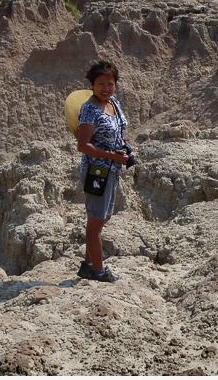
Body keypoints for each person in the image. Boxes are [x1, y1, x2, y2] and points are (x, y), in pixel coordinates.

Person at [76, 59, 129, 283]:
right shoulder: (89, 110)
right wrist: (111, 156)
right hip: (97, 172)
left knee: (103, 217)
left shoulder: (113, 103)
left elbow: (117, 132)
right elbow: (83, 145)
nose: (106, 88)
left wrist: (123, 152)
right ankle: (98, 272)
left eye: (110, 84)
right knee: (95, 222)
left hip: (112, 169)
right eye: (101, 84)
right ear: (92, 85)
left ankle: (88, 265)